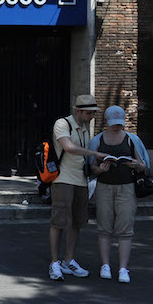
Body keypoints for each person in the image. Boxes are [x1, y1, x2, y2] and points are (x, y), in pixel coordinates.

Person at [48, 94, 108, 281]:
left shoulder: (83, 130)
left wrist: (98, 169)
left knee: (76, 223)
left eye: (93, 113)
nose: (92, 117)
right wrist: (95, 152)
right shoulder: (62, 124)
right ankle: (54, 263)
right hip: (62, 180)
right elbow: (68, 147)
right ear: (78, 111)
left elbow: (81, 160)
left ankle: (69, 260)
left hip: (81, 181)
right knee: (58, 222)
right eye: (89, 113)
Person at [88, 105, 149, 283]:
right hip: (104, 187)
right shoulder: (97, 140)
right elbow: (90, 166)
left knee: (125, 228)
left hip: (127, 187)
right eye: (113, 123)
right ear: (106, 122)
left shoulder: (131, 139)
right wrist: (100, 169)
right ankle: (105, 265)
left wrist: (136, 165)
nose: (116, 127)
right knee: (104, 227)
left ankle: (123, 268)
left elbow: (144, 165)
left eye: (119, 124)